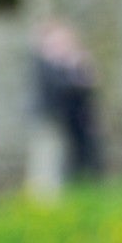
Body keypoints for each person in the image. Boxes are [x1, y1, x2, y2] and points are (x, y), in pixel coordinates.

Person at [32, 20, 104, 187]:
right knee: (48, 158)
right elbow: (58, 89)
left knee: (75, 156)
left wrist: (79, 70)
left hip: (73, 118)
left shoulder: (67, 62)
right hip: (50, 118)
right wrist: (74, 73)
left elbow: (90, 87)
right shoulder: (44, 64)